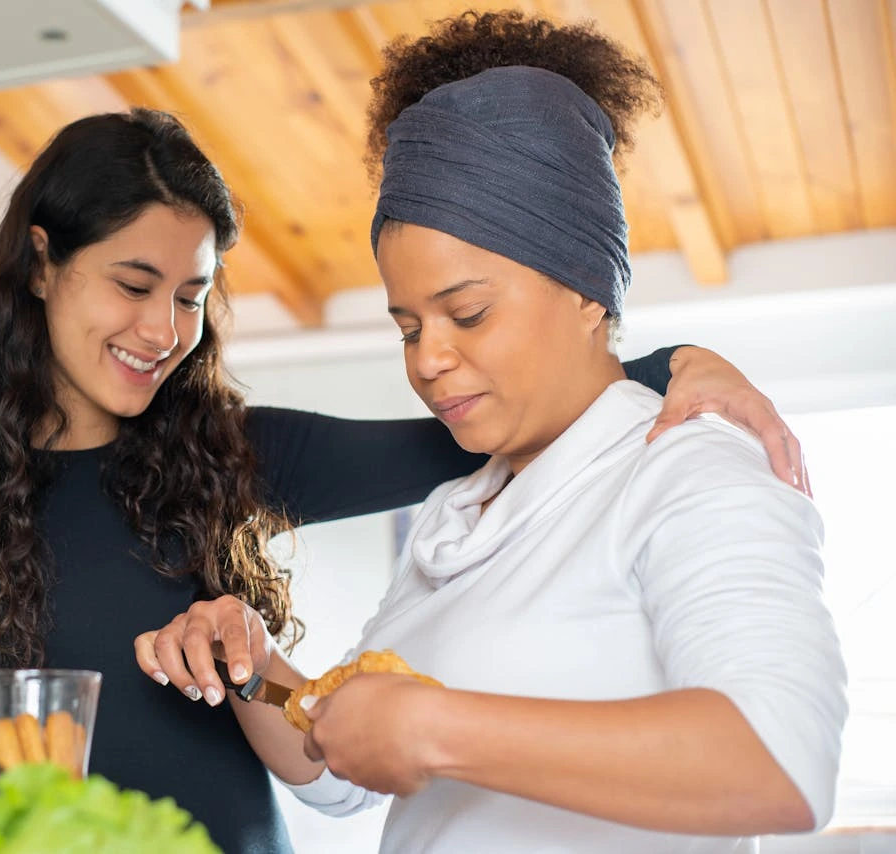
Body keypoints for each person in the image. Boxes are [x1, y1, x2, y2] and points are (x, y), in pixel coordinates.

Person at [0, 106, 810, 853]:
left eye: (190, 296)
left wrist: (672, 361)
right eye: (133, 285)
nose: (162, 330)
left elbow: (482, 421)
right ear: (42, 264)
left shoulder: (235, 452)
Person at [135, 11, 847, 853]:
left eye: (466, 313)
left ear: (587, 290)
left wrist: (439, 728)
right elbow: (341, 769)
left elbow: (781, 761)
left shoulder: (689, 468)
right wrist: (252, 669)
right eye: (407, 328)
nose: (429, 359)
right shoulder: (458, 514)